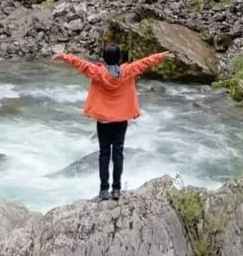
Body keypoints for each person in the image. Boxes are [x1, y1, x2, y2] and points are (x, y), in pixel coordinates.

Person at [54, 43, 171, 199]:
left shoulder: (97, 72)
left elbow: (81, 64)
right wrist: (160, 56)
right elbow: (144, 63)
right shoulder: (127, 71)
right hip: (121, 119)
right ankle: (116, 189)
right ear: (119, 58)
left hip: (103, 120)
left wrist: (64, 56)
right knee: (118, 154)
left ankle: (103, 190)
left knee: (104, 154)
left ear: (104, 58)